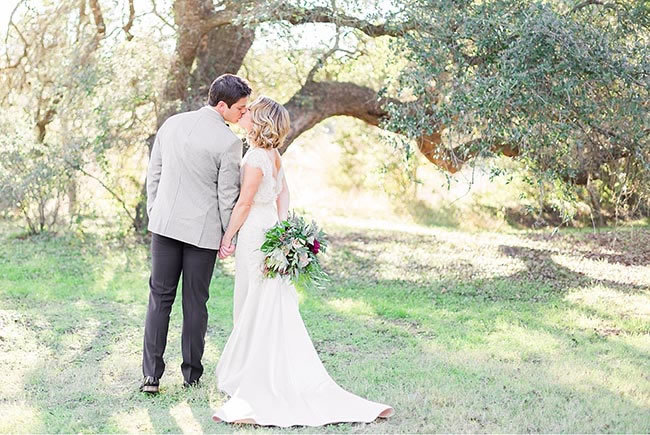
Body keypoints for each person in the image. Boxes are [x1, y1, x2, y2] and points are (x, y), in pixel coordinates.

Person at [212, 95, 394, 427]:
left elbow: (244, 204)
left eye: (251, 112)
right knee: (263, 300)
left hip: (255, 234)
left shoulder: (255, 158)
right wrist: (282, 229)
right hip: (269, 230)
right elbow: (284, 194)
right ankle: (252, 364)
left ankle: (253, 373)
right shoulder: (274, 155)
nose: (246, 114)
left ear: (260, 122)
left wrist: (228, 238)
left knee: (253, 300)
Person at [139, 74, 251, 394]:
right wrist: (230, 237)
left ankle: (151, 376)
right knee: (195, 303)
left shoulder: (172, 124)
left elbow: (154, 174)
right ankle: (191, 376)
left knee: (159, 299)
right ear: (221, 105)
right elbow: (226, 195)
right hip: (202, 233)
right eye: (240, 109)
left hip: (164, 225)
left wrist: (155, 212)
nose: (243, 114)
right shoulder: (229, 142)